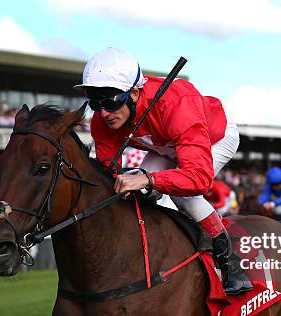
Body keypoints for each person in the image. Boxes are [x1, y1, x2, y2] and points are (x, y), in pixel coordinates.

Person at [76, 47, 252, 295]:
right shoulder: (103, 119)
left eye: (110, 102)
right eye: (96, 103)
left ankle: (232, 263)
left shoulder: (176, 103)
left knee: (182, 193)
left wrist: (148, 179)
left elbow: (199, 179)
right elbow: (109, 170)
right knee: (134, 191)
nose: (103, 113)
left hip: (216, 137)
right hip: (165, 147)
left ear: (134, 93)